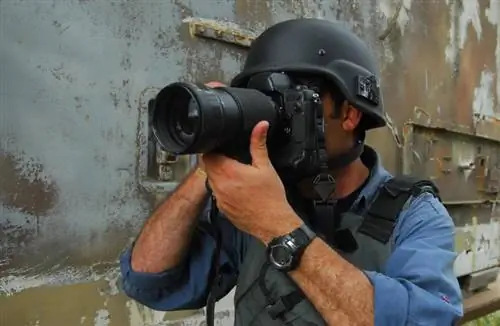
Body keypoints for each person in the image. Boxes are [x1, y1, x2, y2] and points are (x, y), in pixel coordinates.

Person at [120, 18, 463, 325]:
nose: (276, 122)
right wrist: (210, 163)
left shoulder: (413, 213)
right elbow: (148, 280)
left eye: (293, 104)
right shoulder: (251, 205)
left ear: (350, 114)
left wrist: (277, 225)